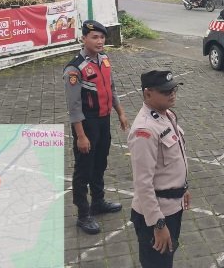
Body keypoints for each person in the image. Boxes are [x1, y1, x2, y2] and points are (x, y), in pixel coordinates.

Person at [63, 20, 129, 235]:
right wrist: (81, 136)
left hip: (103, 120)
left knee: (100, 163)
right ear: (84, 39)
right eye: (94, 37)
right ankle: (83, 215)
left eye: (102, 37)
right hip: (86, 123)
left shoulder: (104, 59)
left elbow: (111, 88)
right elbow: (74, 107)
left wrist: (120, 113)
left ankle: (98, 202)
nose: (100, 41)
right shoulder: (75, 68)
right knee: (84, 169)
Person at [128, 70, 190, 268]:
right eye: (165, 91)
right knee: (156, 264)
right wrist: (158, 224)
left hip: (172, 206)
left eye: (173, 89)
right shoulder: (144, 130)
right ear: (148, 94)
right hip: (157, 215)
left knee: (165, 260)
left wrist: (183, 187)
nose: (172, 94)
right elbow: (142, 183)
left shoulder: (167, 115)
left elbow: (175, 159)